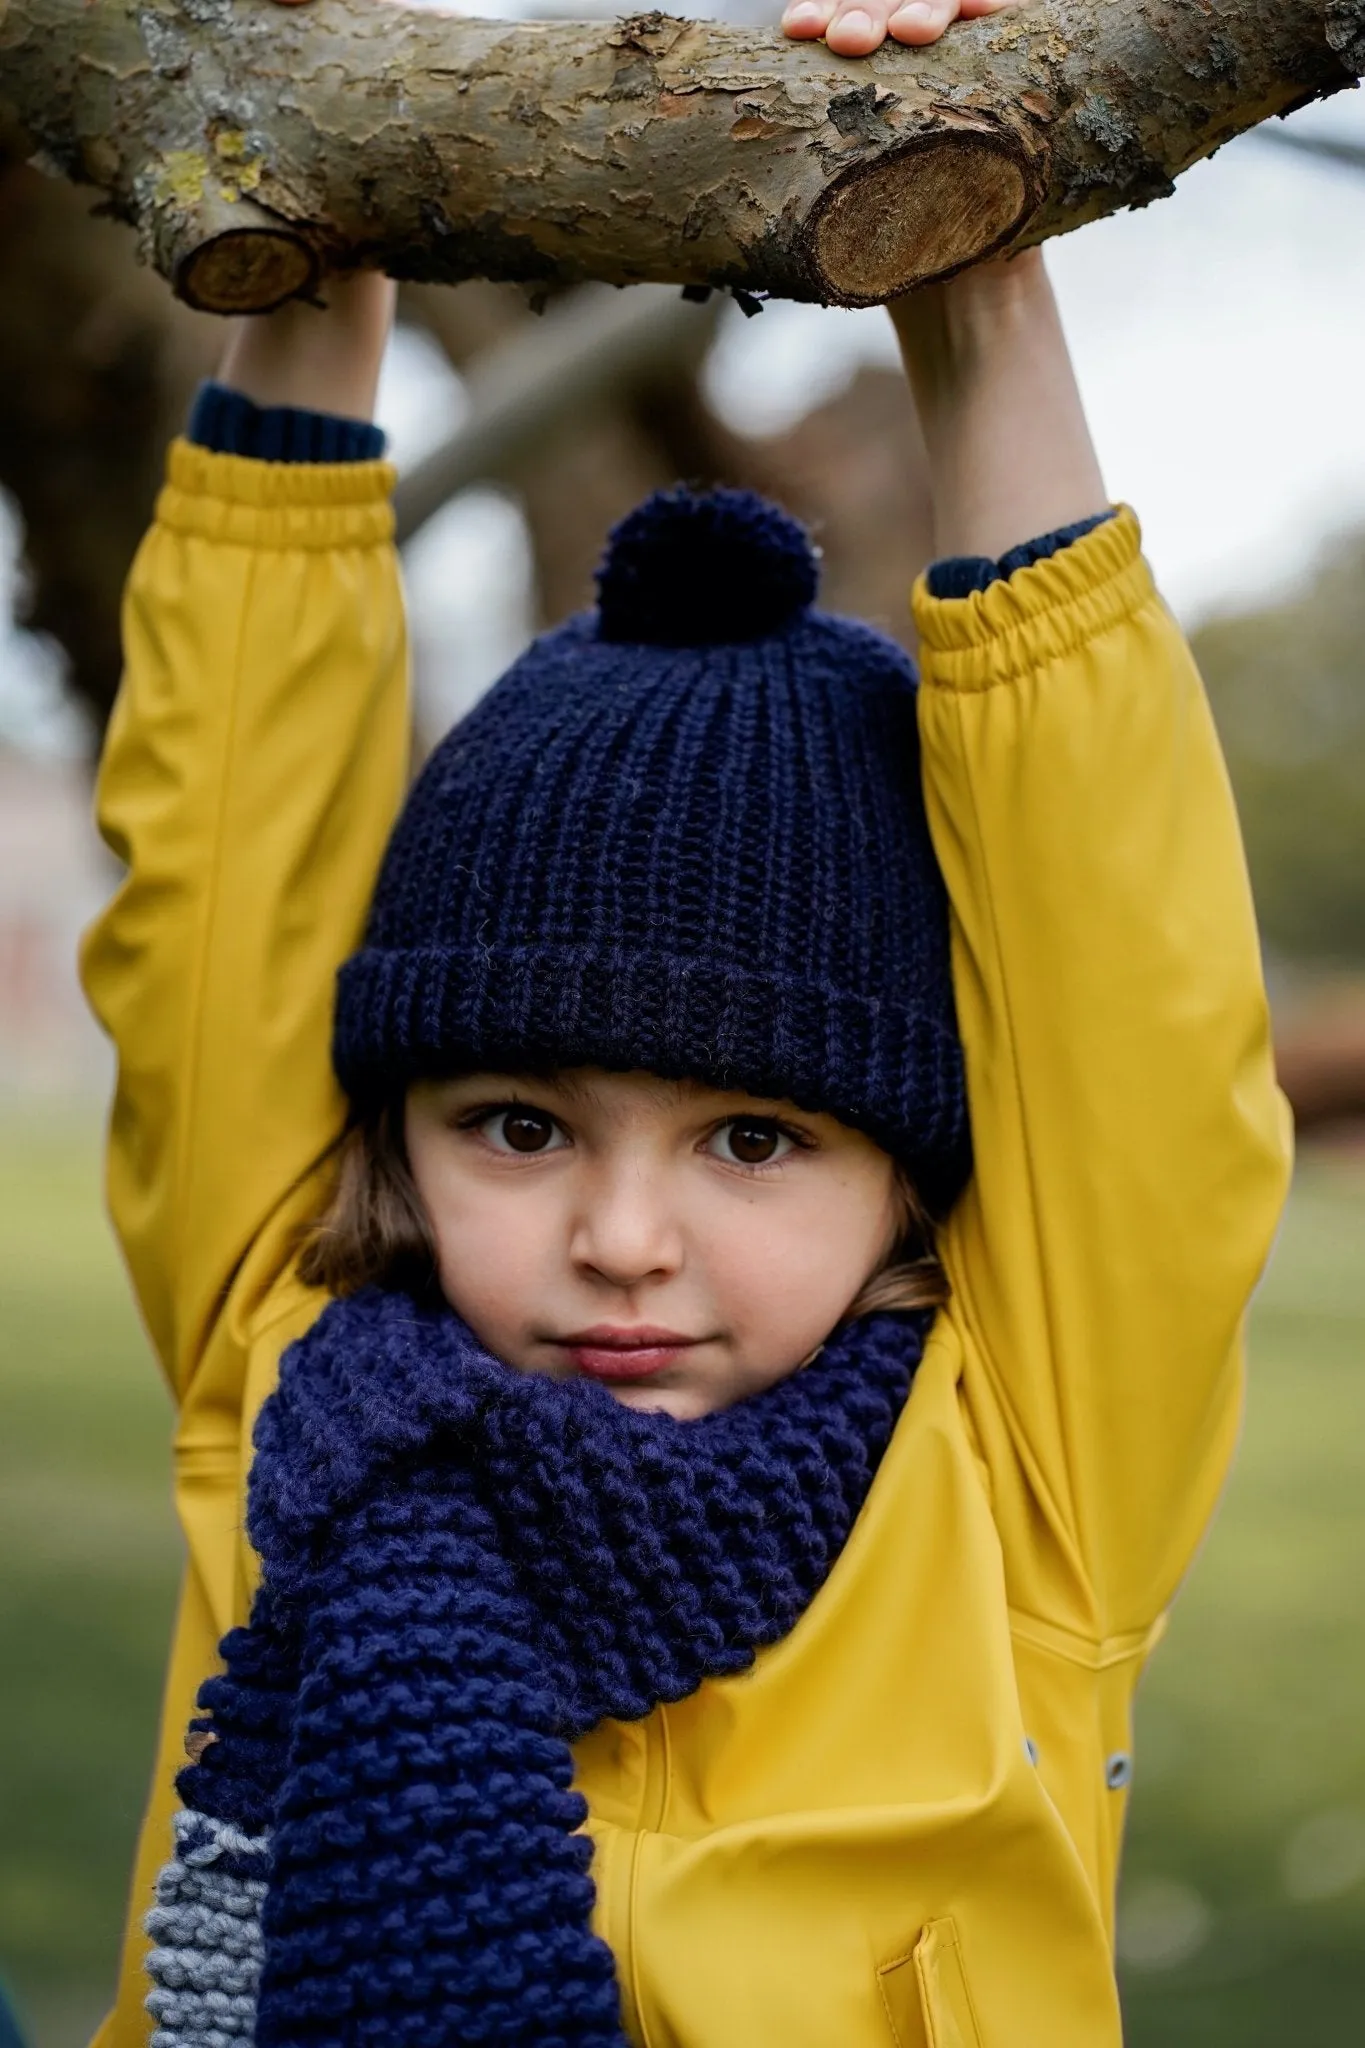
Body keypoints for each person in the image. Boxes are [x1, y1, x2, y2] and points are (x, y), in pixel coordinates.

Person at [80, 4, 1290, 2040]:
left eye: (750, 1138)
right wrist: (308, 214)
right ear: (393, 1133)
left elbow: (1125, 984)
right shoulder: (289, 1384)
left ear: (903, 1161)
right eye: (518, 1126)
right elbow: (227, 894)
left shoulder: (1024, 1483)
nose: (620, 1241)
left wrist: (968, 267)